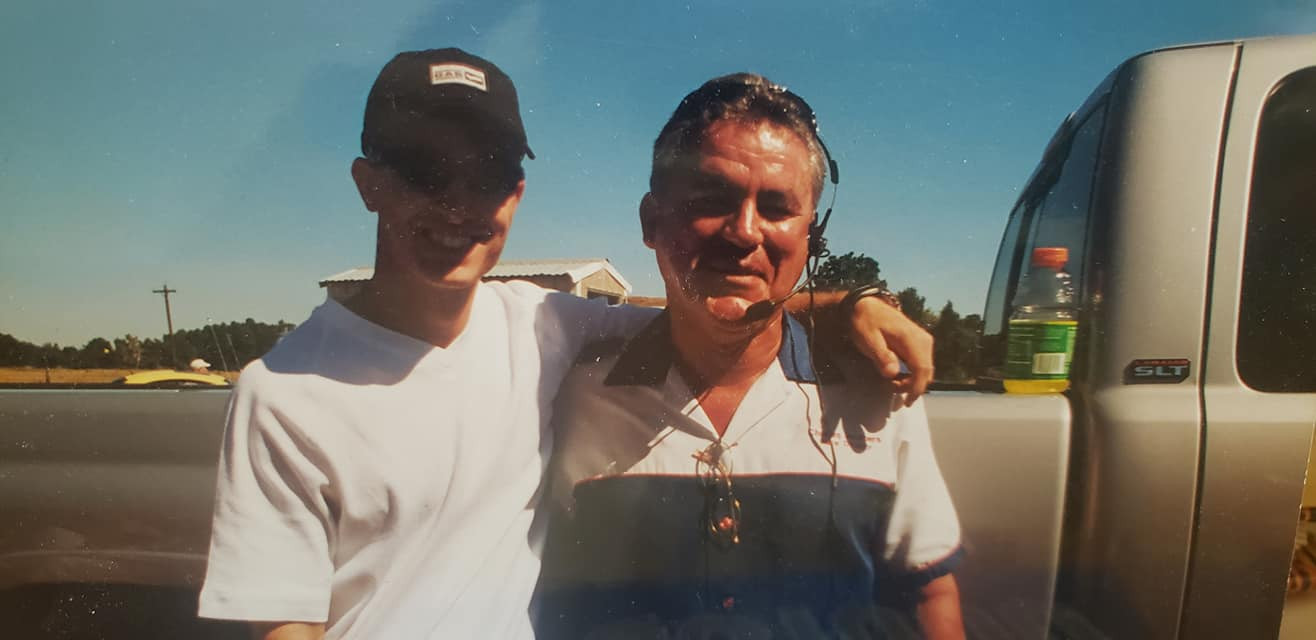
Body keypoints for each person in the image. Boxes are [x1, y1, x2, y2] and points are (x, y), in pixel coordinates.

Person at [198, 49, 933, 640]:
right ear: (368, 183)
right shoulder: (284, 392)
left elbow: (713, 301)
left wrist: (851, 304)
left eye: (486, 176)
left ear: (515, 195)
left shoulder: (541, 325)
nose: (458, 204)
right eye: (425, 170)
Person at [537, 74, 964, 639]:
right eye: (710, 200)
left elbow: (929, 592)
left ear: (813, 234)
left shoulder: (879, 392)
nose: (743, 232)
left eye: (776, 207)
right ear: (651, 220)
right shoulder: (567, 384)